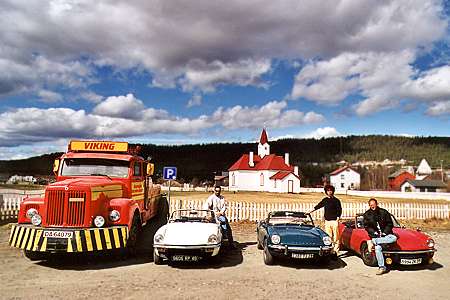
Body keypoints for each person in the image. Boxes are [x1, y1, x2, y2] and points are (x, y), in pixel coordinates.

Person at [363, 198, 397, 275]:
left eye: (373, 204)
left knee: (394, 238)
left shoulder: (384, 212)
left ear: (377, 204)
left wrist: (385, 232)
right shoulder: (367, 214)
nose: (372, 206)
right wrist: (374, 232)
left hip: (386, 235)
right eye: (371, 205)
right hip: (376, 235)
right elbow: (367, 226)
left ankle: (373, 242)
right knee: (378, 248)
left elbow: (390, 224)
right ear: (369, 205)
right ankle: (382, 267)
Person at [309, 184, 342, 259]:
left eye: (331, 191)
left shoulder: (336, 200)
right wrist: (310, 211)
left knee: (336, 237)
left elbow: (339, 210)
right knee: (328, 237)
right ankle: (330, 251)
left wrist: (337, 218)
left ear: (333, 191)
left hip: (334, 221)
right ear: (326, 192)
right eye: (328, 191)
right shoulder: (325, 200)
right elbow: (318, 206)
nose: (329, 192)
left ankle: (336, 252)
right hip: (327, 221)